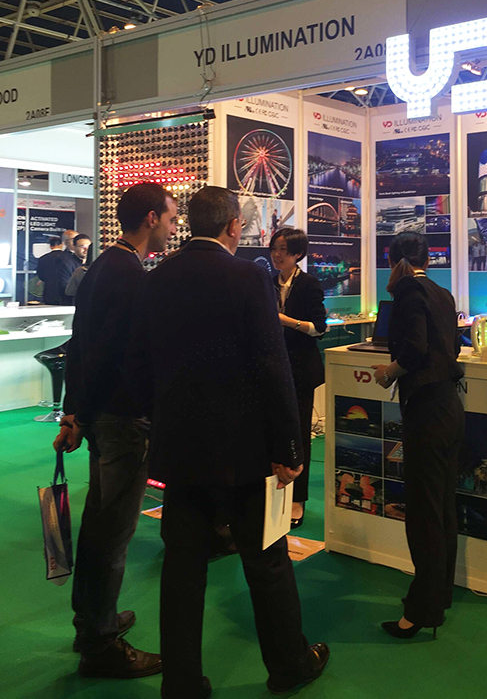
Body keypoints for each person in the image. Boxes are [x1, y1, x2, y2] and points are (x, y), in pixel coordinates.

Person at [126, 187, 329, 699]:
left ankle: (181, 682)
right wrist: (288, 448)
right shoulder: (248, 277)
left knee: (182, 570)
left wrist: (161, 423)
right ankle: (289, 666)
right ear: (234, 226)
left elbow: (141, 364)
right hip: (244, 450)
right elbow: (271, 364)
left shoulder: (158, 277)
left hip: (179, 452)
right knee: (266, 561)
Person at [53, 183, 178, 679]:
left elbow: (79, 345)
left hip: (103, 417)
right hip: (123, 420)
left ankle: (92, 621)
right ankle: (101, 642)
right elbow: (107, 355)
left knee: (99, 526)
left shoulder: (104, 266)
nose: (173, 227)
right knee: (113, 534)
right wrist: (80, 415)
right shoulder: (129, 275)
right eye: (170, 218)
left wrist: (74, 413)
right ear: (150, 218)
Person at [372, 231, 464, 641]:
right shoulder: (442, 293)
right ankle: (437, 597)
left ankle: (420, 611)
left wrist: (387, 373)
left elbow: (414, 349)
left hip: (426, 411)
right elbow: (450, 349)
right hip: (449, 408)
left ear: (394, 260)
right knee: (443, 508)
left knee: (424, 515)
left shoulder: (408, 293)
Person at [270, 228, 327, 528]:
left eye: (283, 249)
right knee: (271, 432)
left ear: (298, 254)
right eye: (274, 248)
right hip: (272, 370)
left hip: (301, 370)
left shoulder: (309, 284)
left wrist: (287, 322)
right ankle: (272, 495)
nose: (277, 255)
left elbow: (320, 328)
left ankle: (298, 499)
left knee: (300, 433)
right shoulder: (268, 283)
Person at [57, 232, 91, 304]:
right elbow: (64, 288)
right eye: (82, 246)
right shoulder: (66, 264)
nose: (86, 249)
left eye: (89, 246)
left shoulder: (94, 263)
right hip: (72, 304)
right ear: (74, 247)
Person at [36, 236, 65, 305]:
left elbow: (41, 276)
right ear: (62, 245)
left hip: (48, 291)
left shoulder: (43, 258)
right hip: (64, 292)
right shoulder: (68, 257)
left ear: (50, 246)